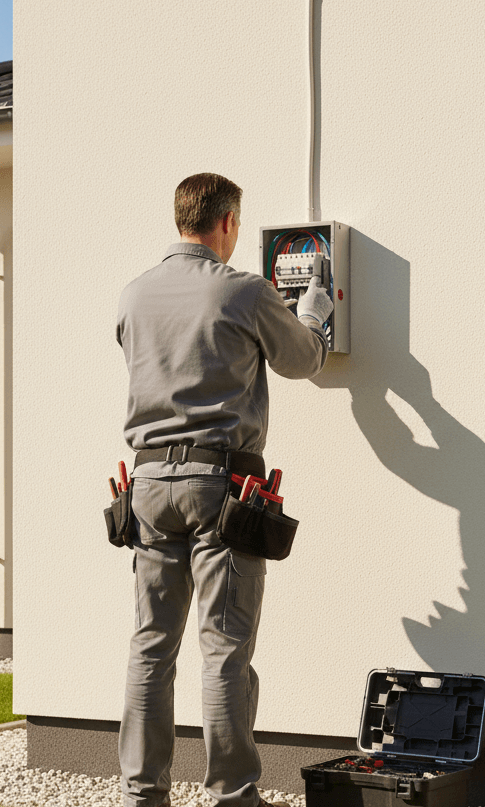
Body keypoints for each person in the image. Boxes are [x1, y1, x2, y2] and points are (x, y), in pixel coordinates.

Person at [115, 173, 332, 807]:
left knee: (152, 645)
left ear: (180, 218)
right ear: (228, 224)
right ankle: (234, 796)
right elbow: (301, 360)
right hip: (221, 486)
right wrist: (313, 318)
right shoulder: (243, 291)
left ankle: (141, 796)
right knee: (224, 648)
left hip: (148, 483)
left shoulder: (133, 295)